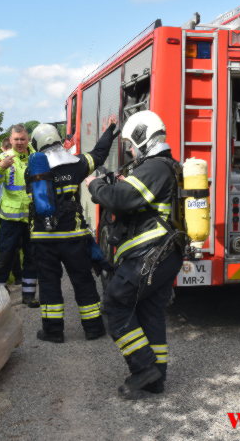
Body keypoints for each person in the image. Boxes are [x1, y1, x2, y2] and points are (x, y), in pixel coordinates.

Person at [86, 110, 184, 400]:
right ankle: (157, 378)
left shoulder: (155, 168)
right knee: (149, 311)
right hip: (165, 255)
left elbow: (122, 199)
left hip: (151, 255)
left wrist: (95, 184)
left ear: (143, 136)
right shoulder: (169, 166)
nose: (130, 149)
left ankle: (143, 369)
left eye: (131, 142)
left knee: (115, 304)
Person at [27, 118, 118, 343]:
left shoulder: (32, 169)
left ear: (37, 144)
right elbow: (99, 154)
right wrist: (110, 129)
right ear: (58, 139)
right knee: (83, 281)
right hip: (74, 237)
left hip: (43, 238)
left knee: (49, 284)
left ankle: (53, 332)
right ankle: (94, 329)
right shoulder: (77, 163)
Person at [0, 124, 39, 307]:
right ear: (10, 140)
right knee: (5, 255)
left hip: (32, 219)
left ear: (28, 139)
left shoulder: (37, 157)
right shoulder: (3, 158)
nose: (19, 142)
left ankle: (28, 296)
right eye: (16, 139)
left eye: (22, 139)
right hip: (10, 219)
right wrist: (1, 168)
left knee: (32, 256)